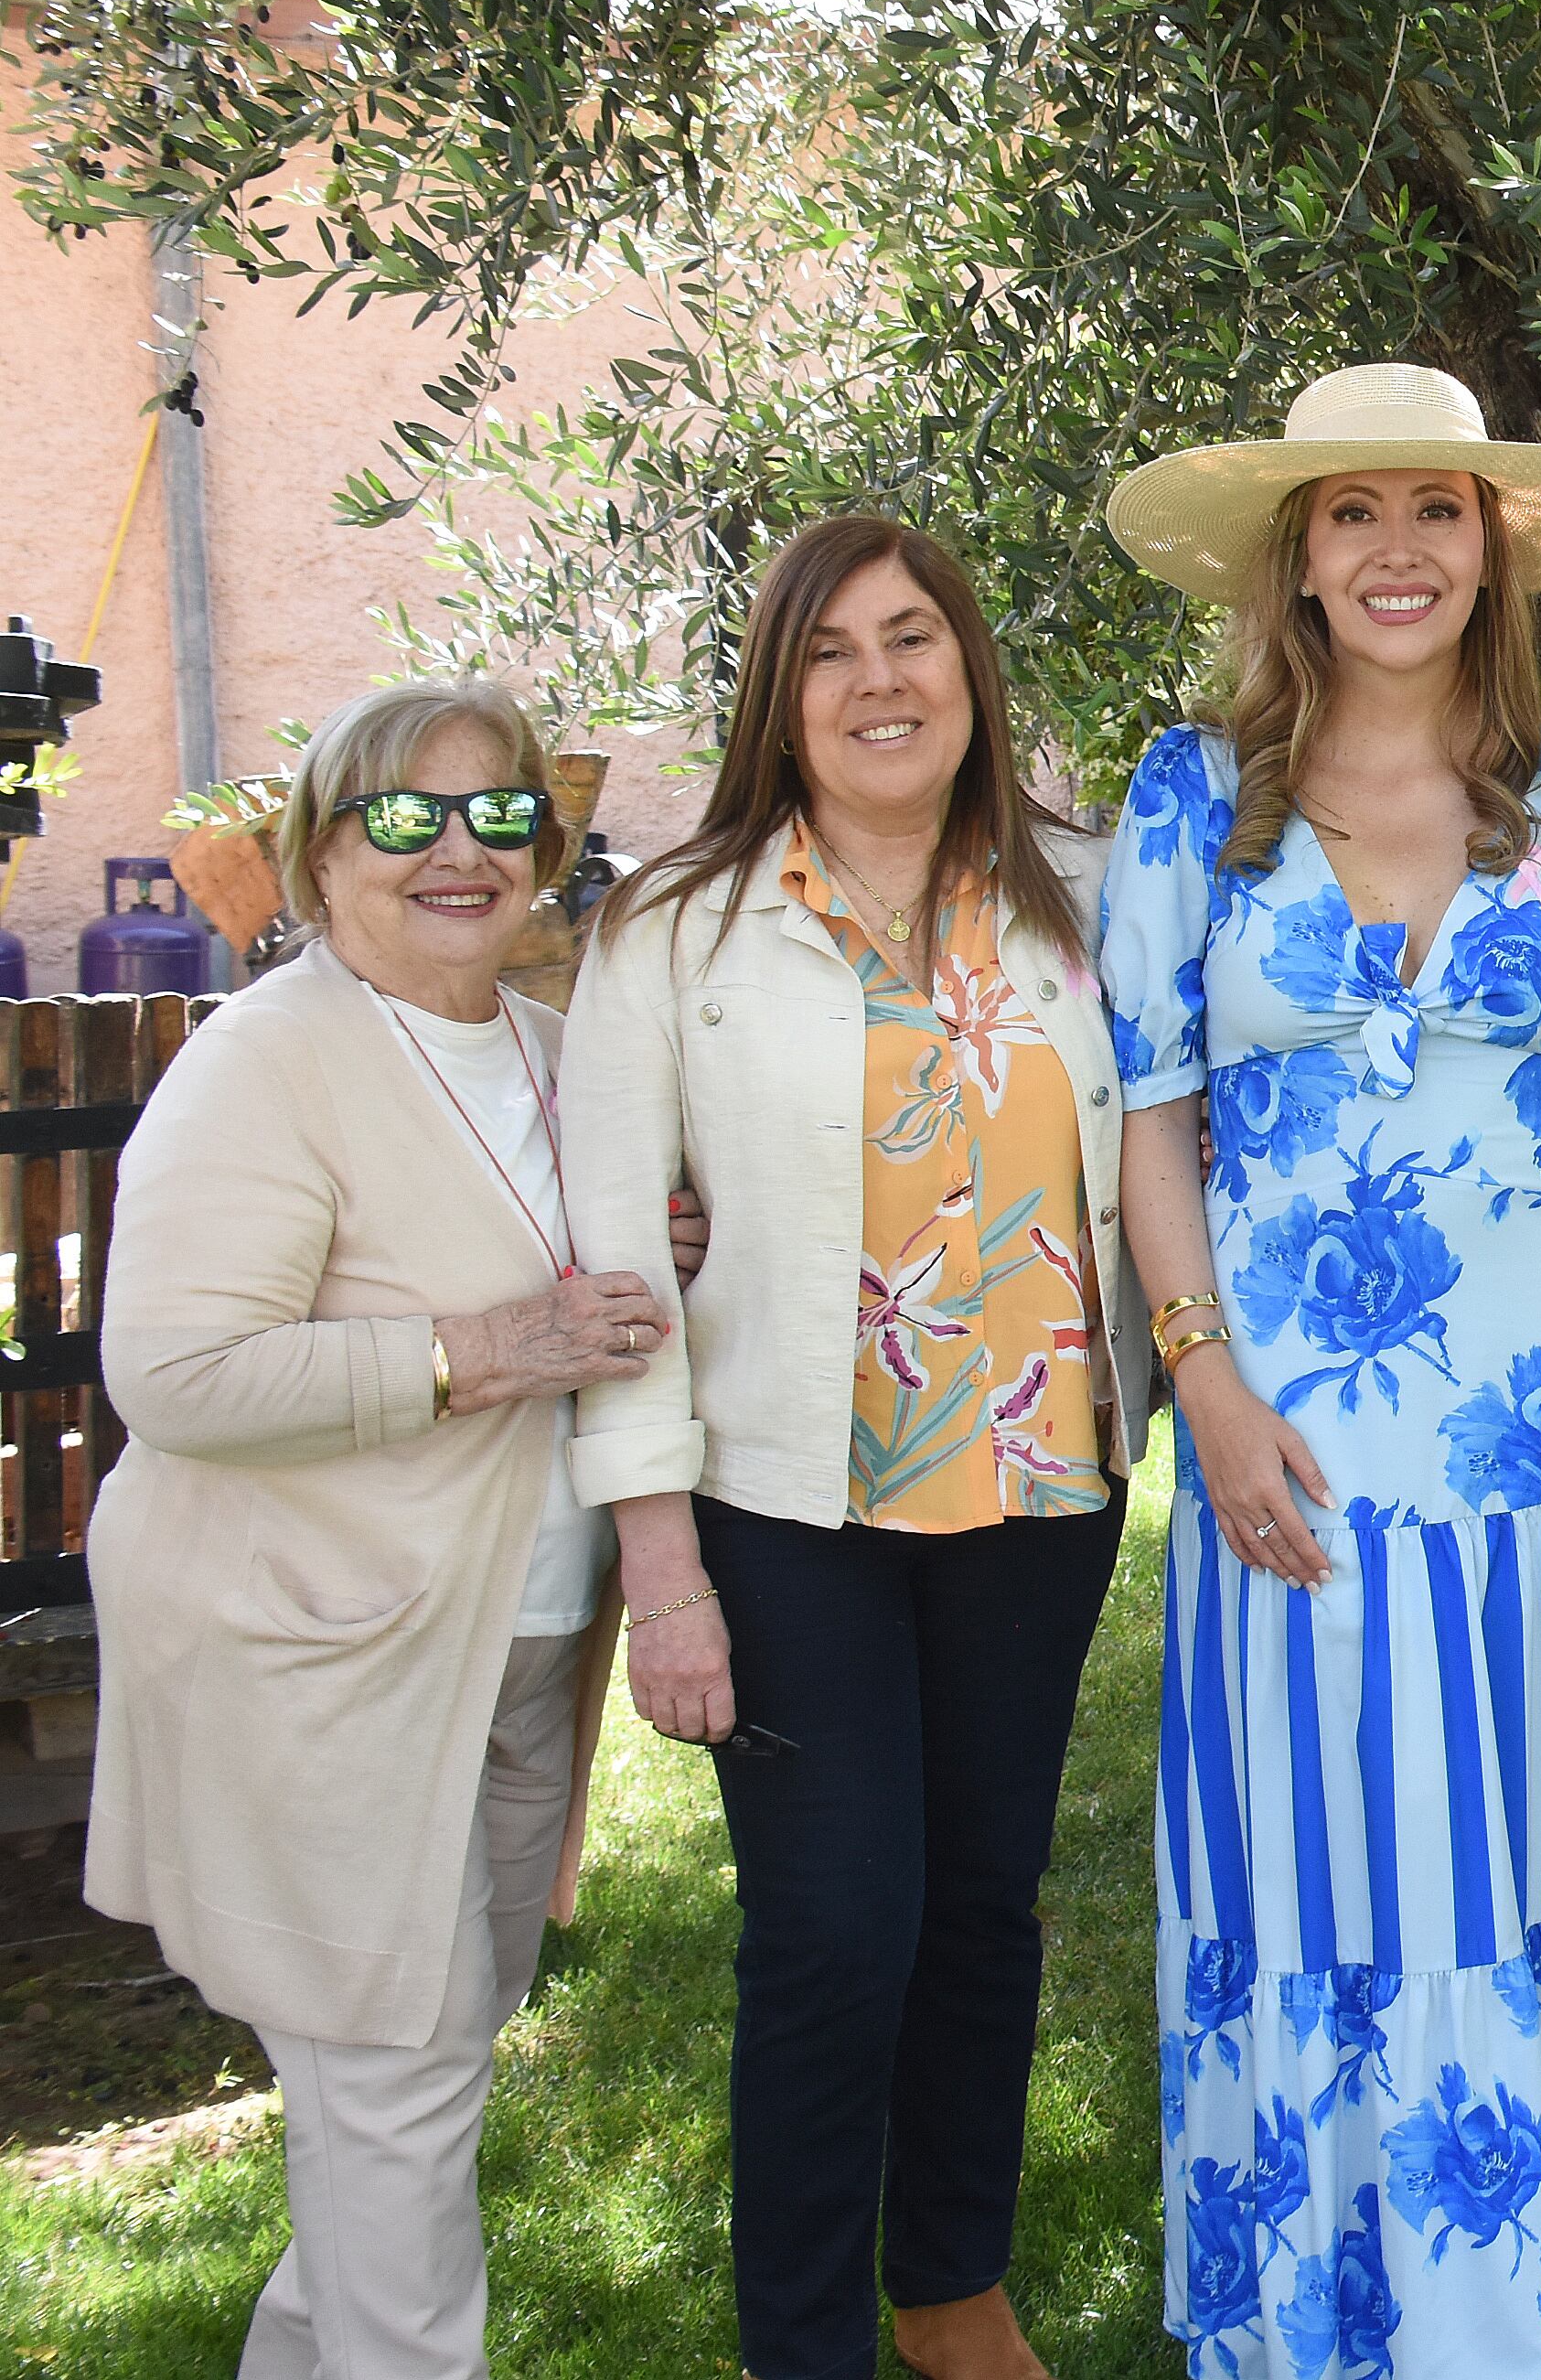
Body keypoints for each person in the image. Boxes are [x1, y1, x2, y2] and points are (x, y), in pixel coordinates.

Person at [1097, 362, 1541, 2376]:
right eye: (1353, 512)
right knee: (1313, 1830)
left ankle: (1521, 2248)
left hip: (1538, 1428)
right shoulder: (1185, 798)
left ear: (1494, 552)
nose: (1397, 551)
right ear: (1294, 556)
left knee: (1519, 1819)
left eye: (1437, 513)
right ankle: (1319, 2276)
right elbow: (1149, 1110)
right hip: (1280, 1435)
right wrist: (1199, 1385)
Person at [562, 517, 1152, 2380]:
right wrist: (662, 1574)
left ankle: (952, 2286)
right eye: (831, 652)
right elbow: (612, 1264)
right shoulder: (676, 923)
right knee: (834, 1930)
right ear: (777, 699)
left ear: (971, 670)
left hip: (1040, 1483)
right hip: (783, 1500)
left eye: (914, 639)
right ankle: (800, 2340)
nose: (881, 681)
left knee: (979, 1906)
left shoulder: (1089, 890)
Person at [88, 679, 669, 2380]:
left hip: (512, 1651)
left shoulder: (562, 1057)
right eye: (403, 816)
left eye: (500, 814)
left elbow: (589, 1286)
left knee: (408, 2076)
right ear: (320, 853)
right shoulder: (268, 1065)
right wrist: (483, 1351)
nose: (457, 850)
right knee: (395, 2084)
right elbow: (179, 1373)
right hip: (322, 1661)